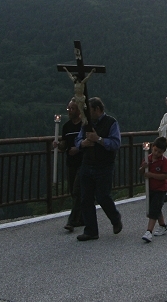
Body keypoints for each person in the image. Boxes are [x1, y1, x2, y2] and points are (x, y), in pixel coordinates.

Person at [74, 97, 122, 241]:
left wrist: (98, 139)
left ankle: (115, 218)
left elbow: (115, 143)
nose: (86, 113)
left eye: (89, 110)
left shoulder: (111, 123)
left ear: (97, 109)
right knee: (86, 198)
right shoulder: (86, 124)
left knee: (102, 196)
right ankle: (91, 230)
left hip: (104, 165)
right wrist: (83, 143)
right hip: (87, 164)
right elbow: (77, 140)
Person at [56, 100, 84, 232]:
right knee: (73, 191)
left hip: (83, 162)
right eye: (68, 108)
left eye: (72, 108)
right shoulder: (66, 127)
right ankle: (82, 217)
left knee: (77, 190)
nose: (69, 111)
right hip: (71, 162)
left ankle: (72, 221)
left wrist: (78, 149)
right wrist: (58, 145)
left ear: (79, 111)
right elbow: (64, 144)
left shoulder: (84, 126)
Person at [139, 136, 167, 243]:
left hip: (160, 189)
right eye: (155, 150)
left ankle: (149, 231)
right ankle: (163, 226)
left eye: (160, 152)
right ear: (152, 147)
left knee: (153, 210)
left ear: (163, 152)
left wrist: (151, 175)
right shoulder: (148, 158)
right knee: (156, 208)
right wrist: (144, 167)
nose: (157, 153)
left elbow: (165, 176)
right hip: (151, 188)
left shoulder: (164, 161)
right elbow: (141, 172)